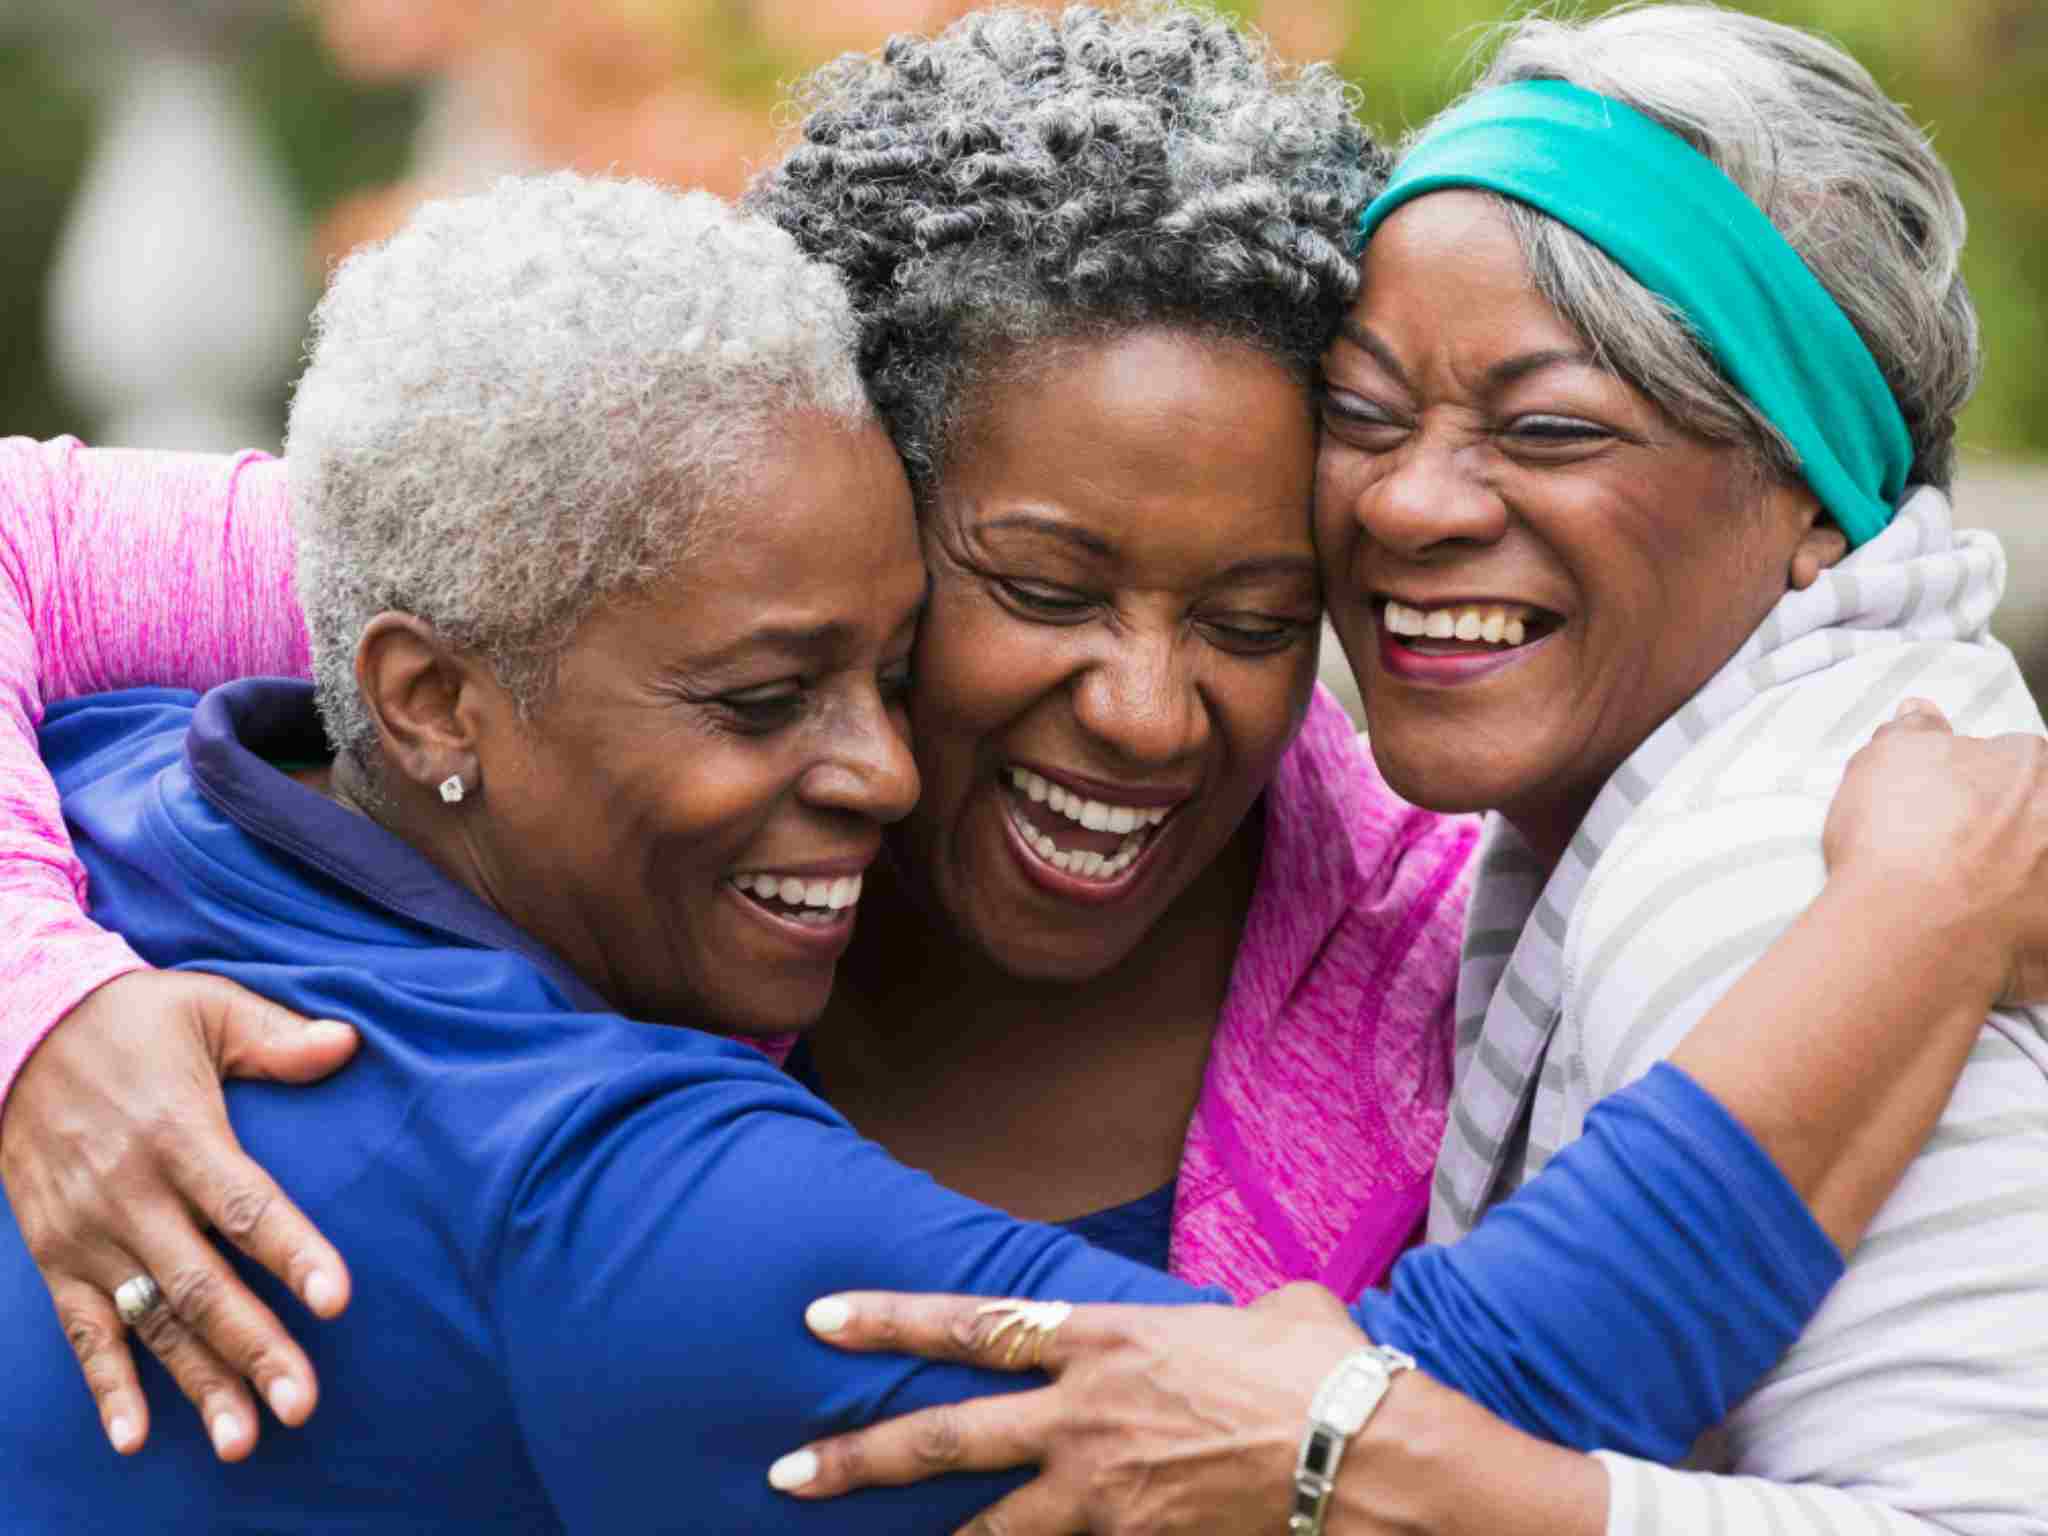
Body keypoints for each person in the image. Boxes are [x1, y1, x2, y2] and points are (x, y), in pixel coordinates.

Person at [0, 8, 2041, 1533]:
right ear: (845, 510)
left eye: (1254, 617)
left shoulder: (158, 785)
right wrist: (45, 1009)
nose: (1150, 712)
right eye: (1035, 584)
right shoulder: (574, 669)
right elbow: (1377, 1443)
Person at [757, 8, 2048, 1534]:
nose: (1149, 715)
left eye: (1255, 617)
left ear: (1819, 491)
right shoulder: (605, 913)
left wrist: (1332, 1467)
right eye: (1367, 419)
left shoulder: (1767, 889)